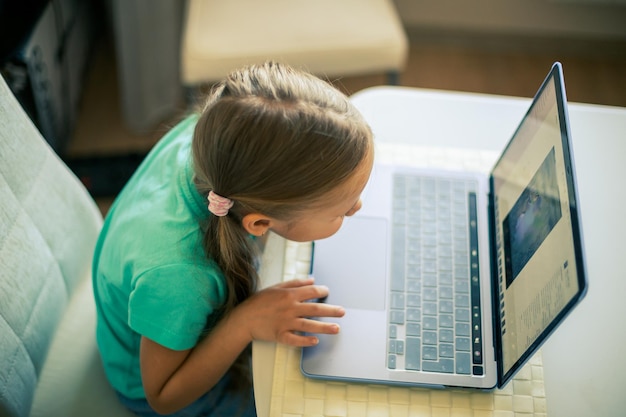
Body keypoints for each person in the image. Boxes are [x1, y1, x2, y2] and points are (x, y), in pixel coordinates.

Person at [92, 61, 374, 416]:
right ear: (258, 223)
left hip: (167, 314)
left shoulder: (214, 138)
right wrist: (244, 323)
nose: (357, 208)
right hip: (155, 380)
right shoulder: (181, 277)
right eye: (340, 211)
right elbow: (163, 396)